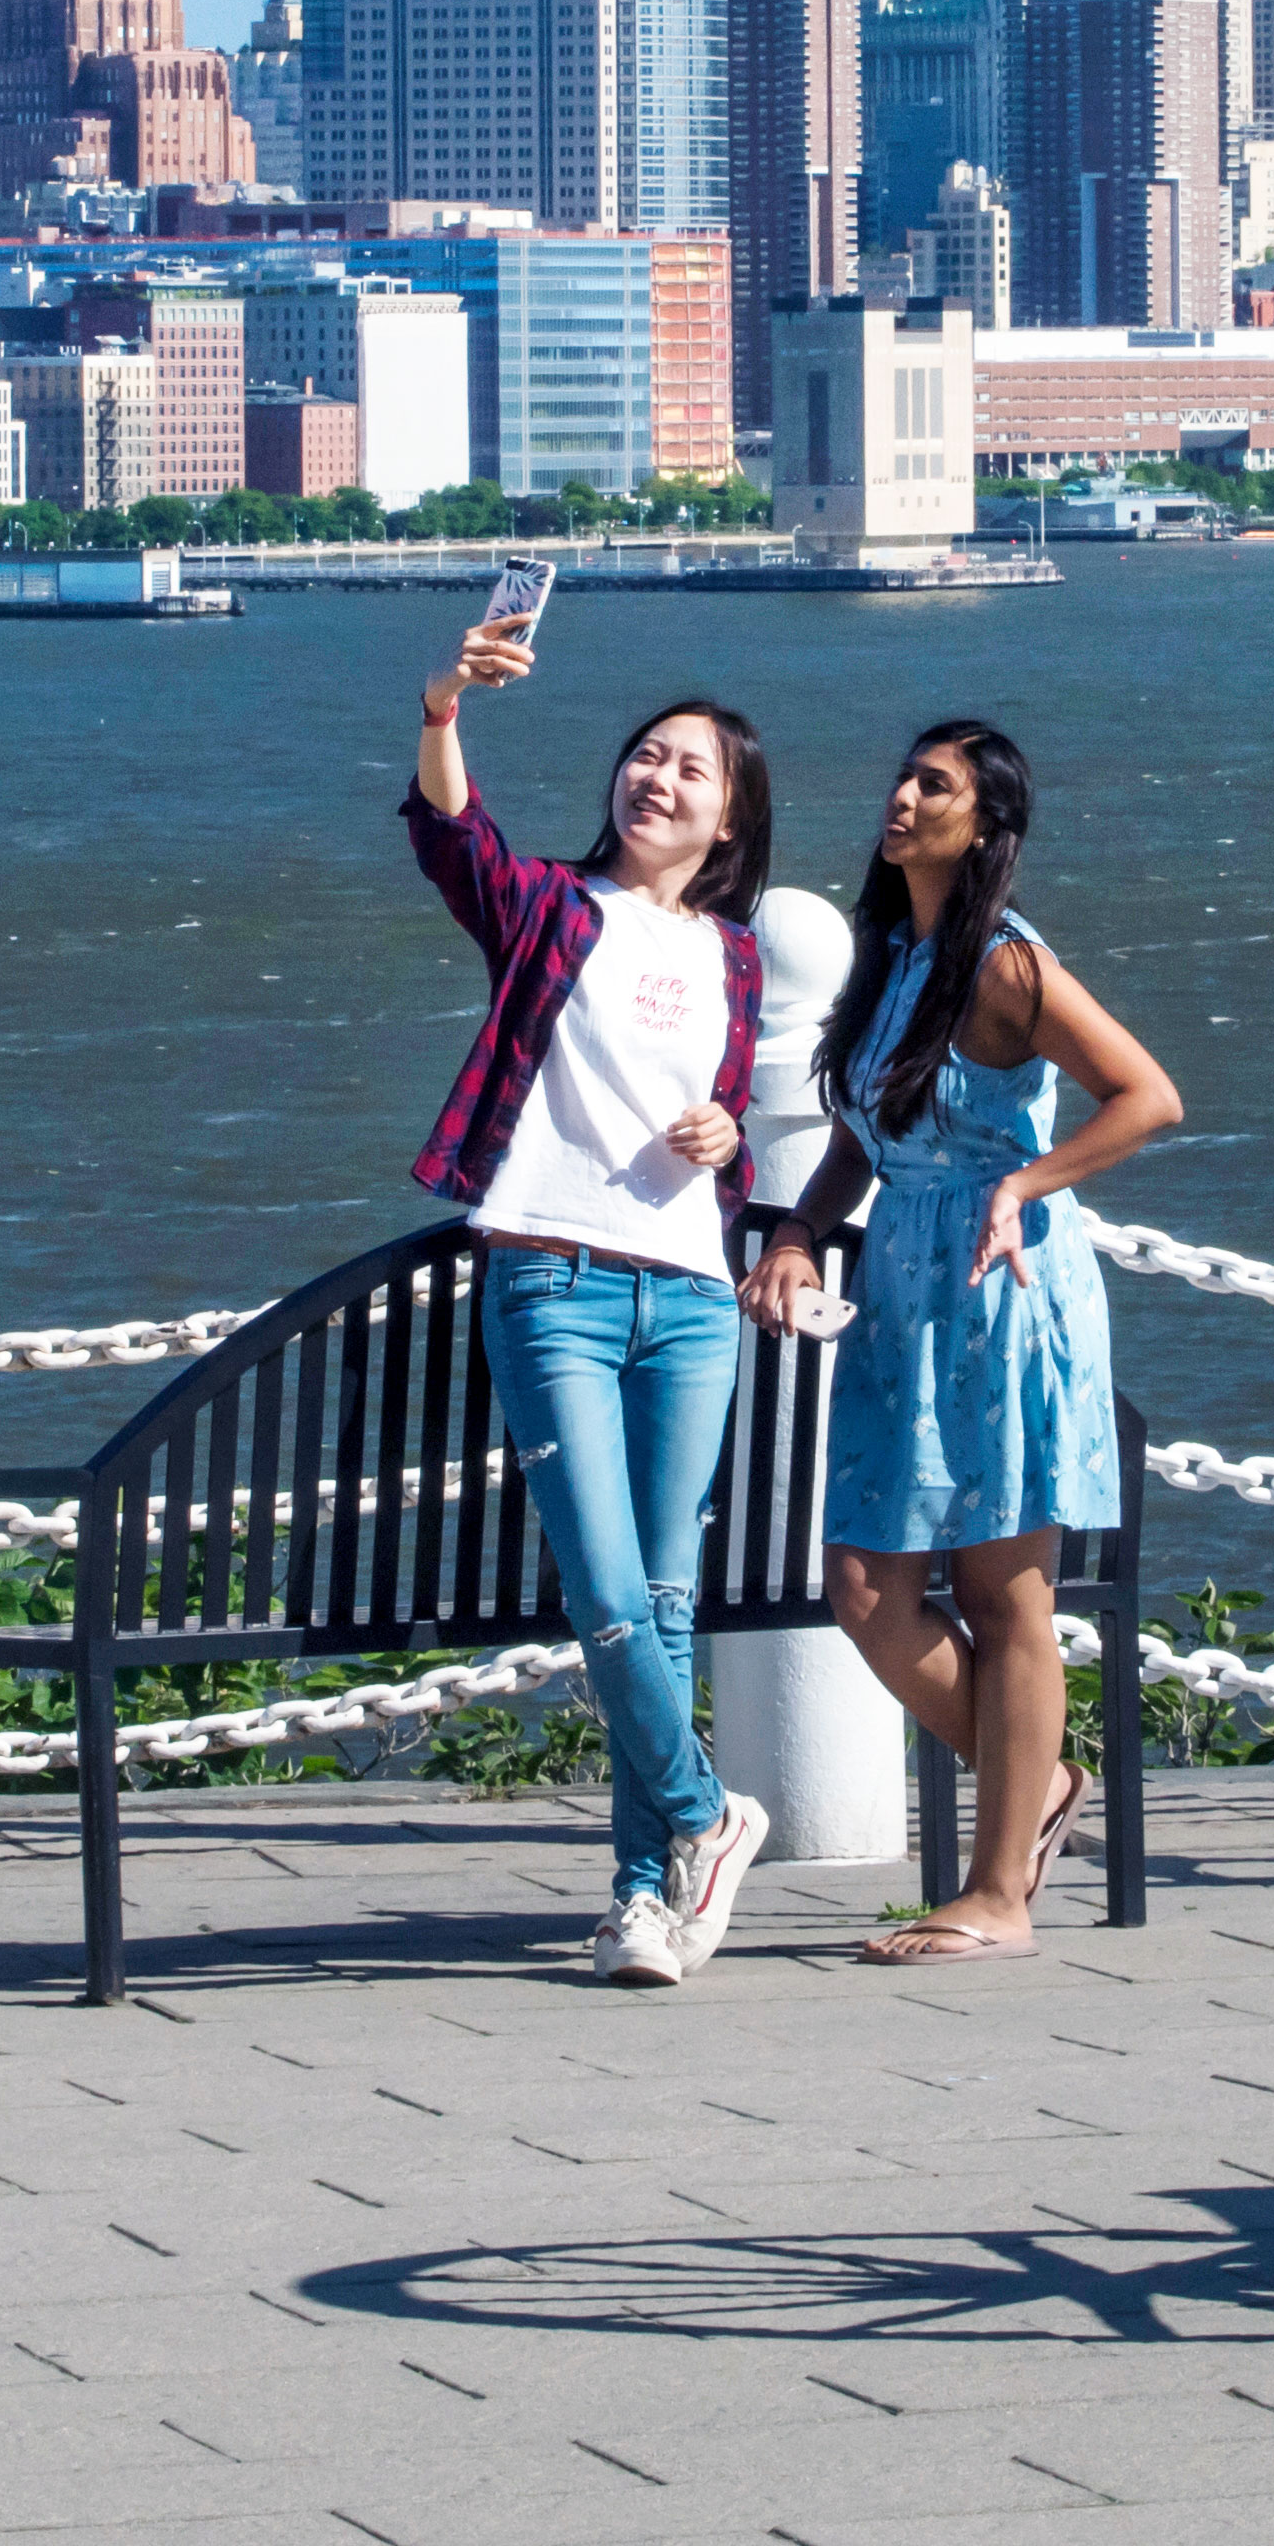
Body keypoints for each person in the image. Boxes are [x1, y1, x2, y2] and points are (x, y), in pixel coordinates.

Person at [402, 607, 847, 1987]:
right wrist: (442, 708)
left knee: (659, 1607)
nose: (656, 780)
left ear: (731, 819)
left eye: (690, 770)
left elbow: (718, 1104)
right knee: (603, 1589)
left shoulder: (735, 956)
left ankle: (646, 1901)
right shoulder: (548, 909)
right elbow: (452, 840)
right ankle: (713, 1814)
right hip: (552, 1278)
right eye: (645, 758)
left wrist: (725, 1135)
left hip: (694, 1301)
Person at [762, 717, 1179, 1963]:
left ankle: (1000, 1895)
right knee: (863, 1588)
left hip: (1003, 1289)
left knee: (1007, 1596)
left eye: (931, 786)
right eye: (900, 775)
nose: (899, 797)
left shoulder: (1003, 960)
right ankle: (1039, 1790)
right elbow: (862, 1133)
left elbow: (1146, 1094)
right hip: (901, 1288)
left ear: (984, 826)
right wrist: (795, 1231)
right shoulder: (898, 949)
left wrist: (1028, 1182)